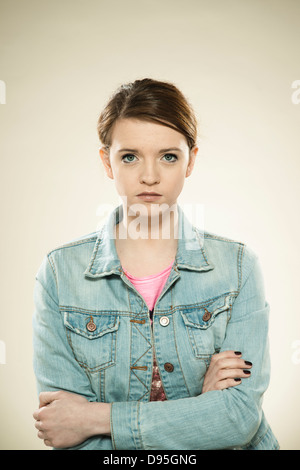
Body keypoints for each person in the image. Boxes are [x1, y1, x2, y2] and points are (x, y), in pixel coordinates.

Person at [32, 78, 279, 450]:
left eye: (169, 156)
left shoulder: (238, 267)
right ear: (107, 162)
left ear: (191, 160)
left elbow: (238, 419)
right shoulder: (59, 273)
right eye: (129, 156)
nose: (150, 175)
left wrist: (97, 417)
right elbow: (65, 431)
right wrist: (200, 408)